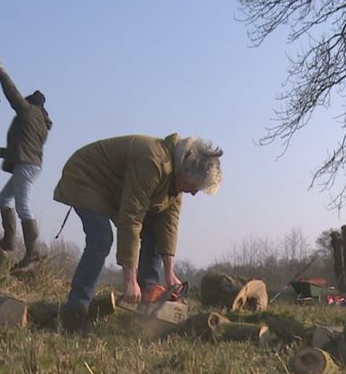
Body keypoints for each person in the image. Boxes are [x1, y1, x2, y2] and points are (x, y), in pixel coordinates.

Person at [53, 133, 222, 333]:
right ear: (185, 171)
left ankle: (149, 298)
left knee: (154, 229)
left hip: (114, 189)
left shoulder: (175, 181)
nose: (194, 192)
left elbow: (168, 226)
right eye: (194, 186)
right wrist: (129, 280)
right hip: (87, 176)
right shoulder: (152, 162)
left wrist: (169, 274)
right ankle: (75, 309)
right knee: (101, 238)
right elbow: (131, 218)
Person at [0, 56, 52, 270]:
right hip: (30, 165)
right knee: (4, 199)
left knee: (23, 206)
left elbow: (13, 95)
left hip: (26, 166)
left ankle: (32, 253)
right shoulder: (41, 122)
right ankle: (9, 241)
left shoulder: (29, 112)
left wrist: (1, 72)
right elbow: (25, 145)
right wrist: (2, 151)